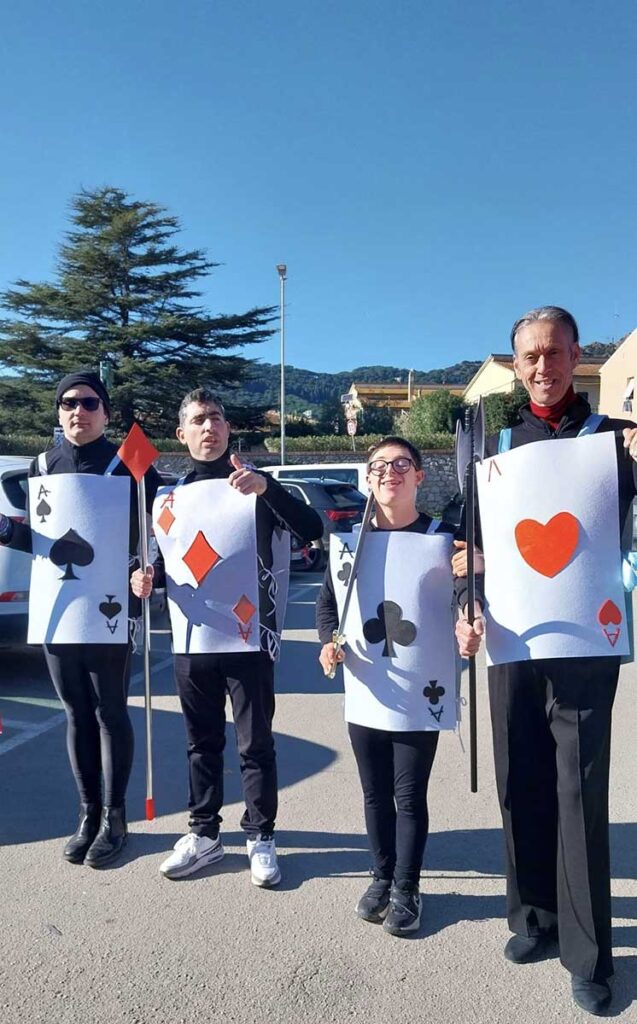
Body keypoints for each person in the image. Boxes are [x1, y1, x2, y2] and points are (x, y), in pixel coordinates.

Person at [457, 306, 637, 1016]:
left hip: (587, 645)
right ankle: (533, 916)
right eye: (529, 356)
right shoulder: (496, 450)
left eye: (554, 352)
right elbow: (468, 548)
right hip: (513, 643)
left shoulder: (617, 442)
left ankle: (589, 956)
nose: (542, 366)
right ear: (515, 365)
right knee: (519, 784)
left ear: (576, 355)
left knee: (579, 794)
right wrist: (466, 602)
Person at [132, 388, 322, 887]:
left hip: (248, 639)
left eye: (215, 417)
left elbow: (311, 529)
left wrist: (268, 488)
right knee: (201, 743)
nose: (208, 427)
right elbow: (162, 561)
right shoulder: (167, 497)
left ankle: (261, 836)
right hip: (191, 640)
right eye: (198, 420)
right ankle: (204, 834)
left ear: (228, 427)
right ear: (182, 434)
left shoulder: (254, 485)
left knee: (255, 744)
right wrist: (146, 577)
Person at [316, 436, 483, 936]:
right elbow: (329, 604)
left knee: (408, 795)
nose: (390, 472)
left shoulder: (444, 538)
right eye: (379, 465)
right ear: (367, 478)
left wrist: (468, 615)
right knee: (374, 794)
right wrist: (328, 642)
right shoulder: (350, 542)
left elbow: (465, 591)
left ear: (419, 476)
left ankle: (407, 887)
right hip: (367, 685)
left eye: (402, 464)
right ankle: (381, 876)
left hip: (420, 687)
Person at [0, 370, 160, 867]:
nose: (79, 411)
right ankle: (88, 814)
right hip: (60, 609)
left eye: (90, 402)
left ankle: (116, 817)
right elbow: (43, 541)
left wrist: (147, 572)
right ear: (59, 411)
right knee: (75, 712)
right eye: (69, 402)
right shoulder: (42, 465)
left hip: (111, 608)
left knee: (110, 711)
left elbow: (156, 532)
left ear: (105, 412)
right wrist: (5, 529)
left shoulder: (130, 464)